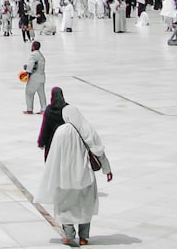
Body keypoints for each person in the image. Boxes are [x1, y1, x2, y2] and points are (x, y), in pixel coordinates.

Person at [35, 104, 113, 247]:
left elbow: (54, 155)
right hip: (85, 175)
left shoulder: (61, 131)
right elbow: (99, 151)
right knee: (85, 206)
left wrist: (51, 175)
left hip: (65, 177)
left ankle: (68, 235)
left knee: (65, 205)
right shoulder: (87, 129)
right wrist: (107, 169)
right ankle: (83, 237)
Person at [37, 87, 68, 160]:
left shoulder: (49, 110)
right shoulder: (67, 108)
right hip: (65, 141)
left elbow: (45, 128)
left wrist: (41, 142)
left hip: (51, 141)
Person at [23, 41, 46, 114]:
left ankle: (29, 109)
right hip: (41, 76)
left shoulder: (33, 54)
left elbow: (31, 64)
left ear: (33, 46)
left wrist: (27, 72)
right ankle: (44, 109)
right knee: (41, 94)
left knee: (29, 93)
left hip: (34, 77)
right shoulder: (41, 55)